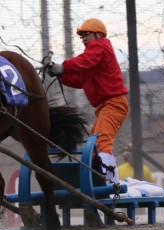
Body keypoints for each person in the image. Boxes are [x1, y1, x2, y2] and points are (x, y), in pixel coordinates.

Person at [49, 18, 129, 184]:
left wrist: (63, 67)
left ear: (98, 34)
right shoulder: (93, 59)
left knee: (101, 142)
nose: (84, 38)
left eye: (87, 34)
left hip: (114, 104)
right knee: (94, 147)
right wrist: (61, 75)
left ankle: (109, 186)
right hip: (105, 107)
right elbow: (79, 80)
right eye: (82, 36)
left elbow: (84, 61)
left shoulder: (100, 46)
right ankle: (99, 182)